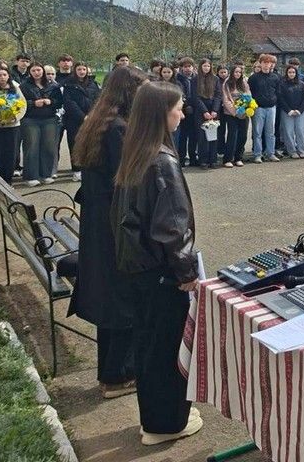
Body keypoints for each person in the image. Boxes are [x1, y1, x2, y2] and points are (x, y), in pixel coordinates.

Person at [112, 81, 202, 446]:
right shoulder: (161, 161)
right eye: (178, 107)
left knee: (149, 346)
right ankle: (166, 424)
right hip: (162, 275)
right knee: (166, 350)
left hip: (139, 270)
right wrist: (187, 274)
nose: (182, 113)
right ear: (160, 114)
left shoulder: (137, 151)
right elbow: (171, 227)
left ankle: (155, 418)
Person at [70, 66, 147, 398]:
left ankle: (110, 372)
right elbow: (127, 185)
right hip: (114, 228)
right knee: (124, 300)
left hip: (99, 225)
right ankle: (118, 375)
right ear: (129, 93)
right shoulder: (117, 130)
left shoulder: (99, 123)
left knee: (112, 299)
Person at [19, 61, 63, 186]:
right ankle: (31, 176)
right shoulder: (24, 86)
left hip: (49, 119)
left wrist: (51, 101)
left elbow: (60, 101)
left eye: (38, 70)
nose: (36, 73)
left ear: (43, 71)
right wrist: (33, 103)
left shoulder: (53, 86)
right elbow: (20, 103)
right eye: (33, 71)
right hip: (30, 119)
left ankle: (46, 174)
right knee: (32, 147)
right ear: (30, 72)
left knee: (48, 147)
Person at [62, 62, 101, 183]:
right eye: (79, 69)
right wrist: (82, 116)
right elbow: (69, 103)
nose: (82, 71)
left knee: (91, 144)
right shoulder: (69, 84)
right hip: (75, 120)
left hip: (92, 119)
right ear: (75, 70)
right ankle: (76, 170)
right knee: (74, 144)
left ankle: (88, 168)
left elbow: (98, 100)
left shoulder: (93, 84)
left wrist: (93, 115)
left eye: (84, 69)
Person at [247, 53, 280, 163]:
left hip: (271, 108)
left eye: (268, 63)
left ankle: (270, 153)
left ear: (271, 64)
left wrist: (274, 100)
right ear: (260, 64)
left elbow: (278, 92)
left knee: (271, 133)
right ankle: (257, 154)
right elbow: (249, 93)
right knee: (257, 133)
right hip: (258, 109)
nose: (266, 65)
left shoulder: (275, 77)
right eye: (264, 63)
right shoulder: (253, 78)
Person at [220, 62, 251, 168]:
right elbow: (226, 100)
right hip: (231, 114)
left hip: (244, 113)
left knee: (243, 136)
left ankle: (238, 158)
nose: (238, 74)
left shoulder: (244, 83)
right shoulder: (226, 84)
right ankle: (228, 159)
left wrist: (244, 108)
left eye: (239, 72)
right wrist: (235, 112)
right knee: (232, 136)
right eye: (236, 72)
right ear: (232, 72)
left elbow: (248, 96)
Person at [192, 59, 221, 169]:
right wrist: (204, 111)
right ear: (200, 67)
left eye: (208, 66)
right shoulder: (195, 79)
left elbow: (218, 95)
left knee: (213, 137)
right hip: (200, 111)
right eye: (204, 66)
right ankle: (203, 160)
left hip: (213, 111)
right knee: (202, 137)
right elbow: (195, 97)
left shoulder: (215, 79)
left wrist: (214, 110)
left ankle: (212, 160)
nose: (206, 68)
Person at [278, 63, 304, 159]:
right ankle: (292, 151)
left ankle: (301, 150)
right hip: (287, 112)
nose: (291, 74)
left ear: (296, 73)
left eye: (293, 72)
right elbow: (281, 98)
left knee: (301, 131)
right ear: (286, 73)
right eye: (289, 72)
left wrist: (299, 110)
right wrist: (289, 110)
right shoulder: (282, 84)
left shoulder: (302, 84)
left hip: (300, 112)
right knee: (288, 132)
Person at [174, 58, 198, 166]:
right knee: (182, 137)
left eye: (189, 66)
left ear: (193, 67)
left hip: (196, 110)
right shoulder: (177, 79)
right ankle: (182, 159)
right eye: (185, 67)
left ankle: (193, 157)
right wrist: (186, 105)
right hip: (183, 111)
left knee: (193, 136)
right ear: (181, 68)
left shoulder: (196, 79)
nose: (187, 69)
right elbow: (180, 94)